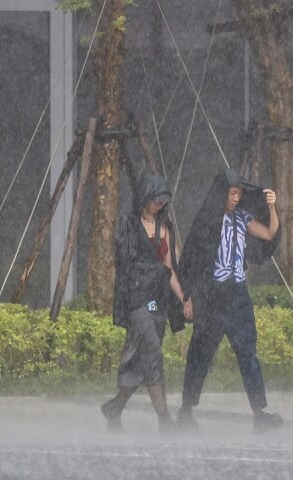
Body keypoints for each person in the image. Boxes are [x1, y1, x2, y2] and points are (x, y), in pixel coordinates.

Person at [175, 168, 283, 433]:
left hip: (237, 295)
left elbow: (269, 234)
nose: (235, 199)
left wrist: (272, 208)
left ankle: (260, 413)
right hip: (212, 295)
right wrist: (188, 296)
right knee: (200, 353)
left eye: (239, 194)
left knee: (248, 354)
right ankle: (186, 410)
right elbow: (191, 259)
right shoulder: (207, 221)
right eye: (232, 193)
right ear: (222, 193)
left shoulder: (242, 219)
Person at [101, 173, 188, 433]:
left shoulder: (166, 227)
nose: (159, 205)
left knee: (141, 361)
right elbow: (126, 265)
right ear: (144, 198)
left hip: (158, 301)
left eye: (163, 201)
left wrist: (183, 297)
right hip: (138, 299)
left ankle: (116, 407)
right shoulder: (128, 225)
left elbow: (169, 267)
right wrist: (144, 279)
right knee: (152, 351)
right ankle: (165, 421)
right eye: (155, 200)